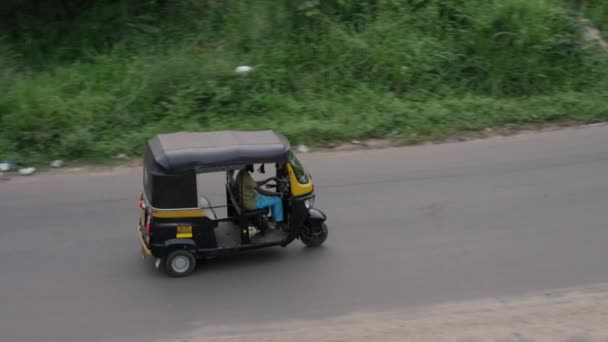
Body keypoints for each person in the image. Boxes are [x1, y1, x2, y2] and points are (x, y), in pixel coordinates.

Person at [236, 164, 286, 229]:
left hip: (250, 198)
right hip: (251, 203)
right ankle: (279, 223)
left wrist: (269, 179)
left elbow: (255, 184)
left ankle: (276, 219)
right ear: (248, 165)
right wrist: (278, 194)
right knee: (277, 200)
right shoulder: (245, 176)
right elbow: (262, 192)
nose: (253, 166)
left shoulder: (241, 173)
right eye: (252, 165)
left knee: (272, 198)